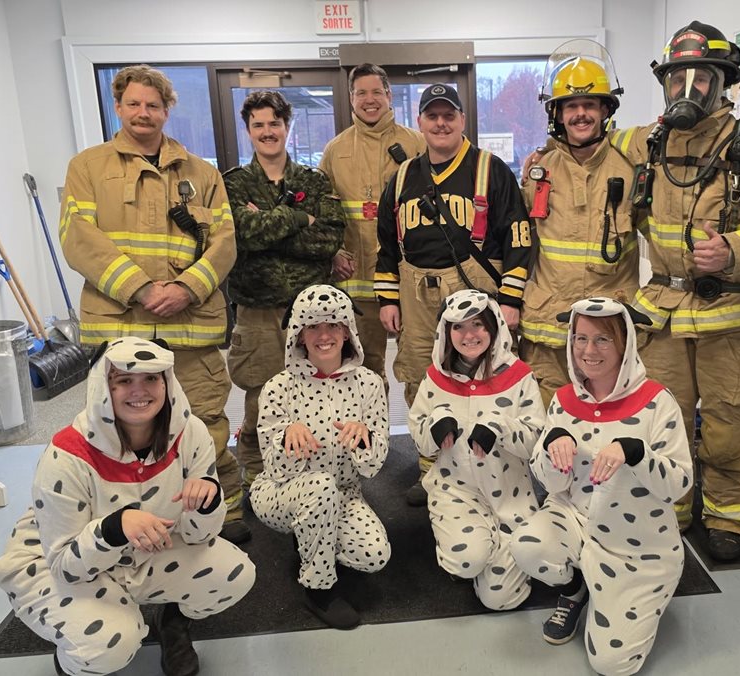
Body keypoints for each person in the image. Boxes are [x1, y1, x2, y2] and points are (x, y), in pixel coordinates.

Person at [609, 22, 740, 560]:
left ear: (724, 83)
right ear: (664, 83)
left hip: (729, 314)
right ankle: (670, 508)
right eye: (677, 78)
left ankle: (728, 516)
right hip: (664, 312)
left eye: (701, 78)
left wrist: (733, 250)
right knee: (663, 420)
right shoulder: (649, 143)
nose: (687, 89)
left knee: (725, 425)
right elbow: (590, 143)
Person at [59, 65, 249, 543]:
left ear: (167, 110)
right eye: (134, 104)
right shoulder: (88, 168)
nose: (143, 113)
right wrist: (142, 288)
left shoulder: (202, 174)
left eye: (153, 105)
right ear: (118, 107)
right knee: (120, 427)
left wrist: (187, 288)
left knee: (205, 421)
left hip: (190, 326)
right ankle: (130, 521)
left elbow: (224, 242)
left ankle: (221, 512)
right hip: (120, 327)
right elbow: (79, 240)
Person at [0, 338, 255, 676]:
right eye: (124, 380)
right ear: (103, 386)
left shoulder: (190, 433)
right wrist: (113, 529)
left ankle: (171, 621)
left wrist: (207, 503)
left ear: (167, 382)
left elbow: (200, 537)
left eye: (151, 377)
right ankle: (76, 658)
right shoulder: (66, 454)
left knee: (235, 574)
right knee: (108, 644)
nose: (139, 390)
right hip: (59, 562)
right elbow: (65, 567)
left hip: (146, 549)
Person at [511, 297, 692, 675]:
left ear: (625, 344)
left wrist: (636, 452)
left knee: (612, 664)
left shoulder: (657, 402)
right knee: (527, 545)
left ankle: (629, 596)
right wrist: (552, 446)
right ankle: (576, 587)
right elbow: (551, 482)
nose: (588, 351)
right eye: (580, 338)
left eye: (602, 340)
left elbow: (679, 484)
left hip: (638, 544)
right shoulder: (563, 401)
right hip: (576, 521)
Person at [375, 84, 532, 505]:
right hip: (414, 294)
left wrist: (511, 299)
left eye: (449, 115)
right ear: (420, 122)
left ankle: (487, 465)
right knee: (419, 376)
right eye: (433, 116)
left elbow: (519, 237)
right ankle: (431, 468)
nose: (441, 123)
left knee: (483, 375)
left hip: (474, 291)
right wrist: (387, 299)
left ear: (462, 120)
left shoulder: (490, 169)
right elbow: (386, 244)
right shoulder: (402, 177)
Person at [224, 90, 347, 506]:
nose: (267, 132)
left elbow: (328, 239)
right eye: (258, 125)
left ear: (286, 127)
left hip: (309, 313)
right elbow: (242, 236)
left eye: (274, 123)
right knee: (260, 397)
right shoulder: (234, 183)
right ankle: (257, 475)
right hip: (257, 311)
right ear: (248, 130)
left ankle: (315, 468)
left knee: (316, 392)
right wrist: (298, 218)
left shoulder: (313, 180)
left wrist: (268, 227)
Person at [251, 285, 390, 629]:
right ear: (299, 335)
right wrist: (287, 438)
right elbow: (274, 469)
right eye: (313, 326)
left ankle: (313, 536)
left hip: (344, 493)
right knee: (319, 487)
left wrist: (363, 439)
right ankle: (319, 588)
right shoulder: (278, 387)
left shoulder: (370, 384)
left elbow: (373, 468)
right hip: (280, 492)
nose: (324, 335)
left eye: (333, 325)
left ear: (347, 331)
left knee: (374, 555)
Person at [519, 40, 642, 406]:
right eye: (571, 106)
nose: (581, 114)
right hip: (548, 330)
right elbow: (520, 243)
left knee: (610, 420)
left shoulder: (632, 168)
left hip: (609, 328)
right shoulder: (539, 171)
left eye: (589, 104)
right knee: (547, 421)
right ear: (557, 114)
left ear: (605, 109)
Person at [408, 289, 545, 610]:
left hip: (511, 496)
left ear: (493, 326)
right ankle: (478, 548)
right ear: (446, 331)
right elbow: (419, 438)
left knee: (500, 600)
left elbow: (535, 443)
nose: (469, 335)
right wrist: (435, 426)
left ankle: (500, 546)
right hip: (456, 492)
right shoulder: (434, 378)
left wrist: (501, 427)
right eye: (458, 327)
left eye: (478, 325)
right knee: (466, 562)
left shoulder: (520, 376)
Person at [320, 63, 426, 388]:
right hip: (359, 279)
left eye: (377, 92)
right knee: (363, 369)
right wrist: (334, 251)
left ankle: (422, 420)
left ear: (389, 95)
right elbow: (323, 211)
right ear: (351, 98)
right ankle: (371, 422)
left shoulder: (416, 144)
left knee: (418, 363)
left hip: (410, 278)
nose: (370, 100)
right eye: (361, 93)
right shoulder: (335, 150)